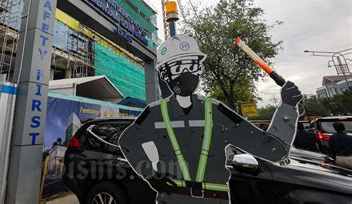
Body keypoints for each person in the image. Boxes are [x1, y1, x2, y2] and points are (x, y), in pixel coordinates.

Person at [119, 35, 303, 204]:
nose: (186, 73)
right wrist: (151, 176)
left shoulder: (216, 111)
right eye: (177, 68)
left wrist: (287, 107)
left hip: (214, 199)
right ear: (166, 75)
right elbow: (127, 141)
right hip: (172, 198)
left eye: (191, 65)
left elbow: (273, 150)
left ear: (199, 68)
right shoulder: (154, 113)